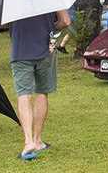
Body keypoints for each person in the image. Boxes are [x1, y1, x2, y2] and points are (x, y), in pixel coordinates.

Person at [9, 9, 70, 161]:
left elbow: (3, 22)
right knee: (42, 92)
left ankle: (28, 141)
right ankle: (37, 140)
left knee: (24, 94)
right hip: (45, 48)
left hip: (20, 49)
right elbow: (66, 21)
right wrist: (49, 26)